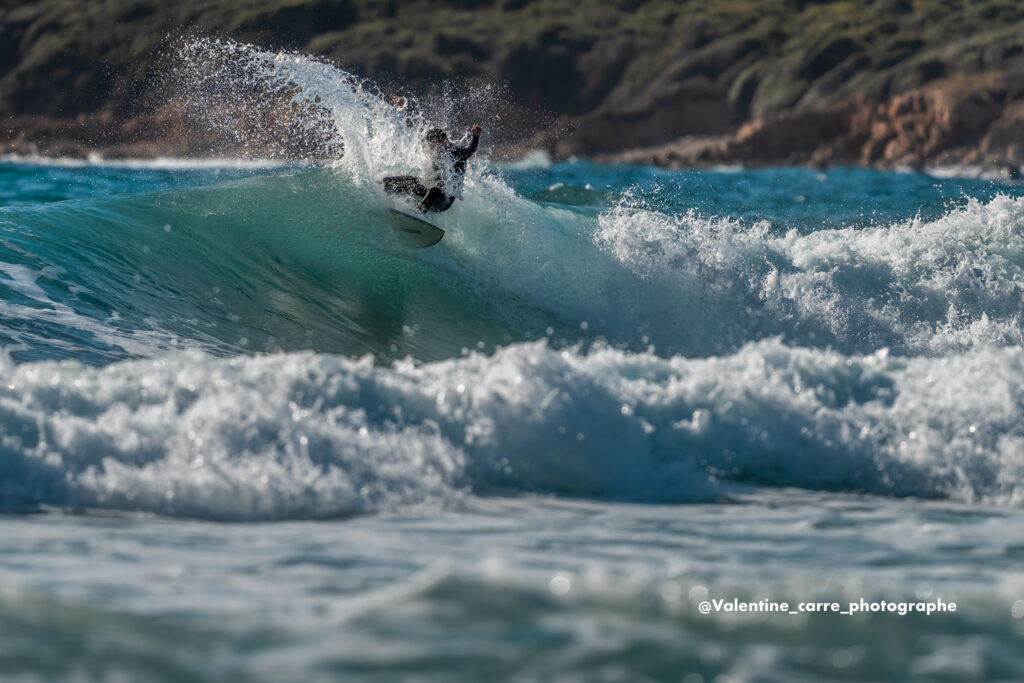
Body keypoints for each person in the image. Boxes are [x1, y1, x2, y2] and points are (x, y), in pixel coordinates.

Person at [382, 124, 482, 213]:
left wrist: (475, 136)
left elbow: (471, 149)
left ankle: (417, 215)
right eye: (432, 146)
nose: (434, 149)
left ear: (445, 141)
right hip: (429, 195)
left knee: (435, 190)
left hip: (443, 202)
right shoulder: (435, 154)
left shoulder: (457, 153)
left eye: (436, 145)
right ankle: (380, 187)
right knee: (410, 180)